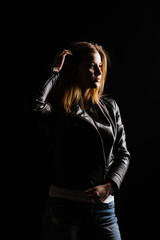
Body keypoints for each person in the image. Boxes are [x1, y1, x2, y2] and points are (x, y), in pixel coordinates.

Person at [30, 41, 130, 240]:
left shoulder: (110, 107)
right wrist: (54, 71)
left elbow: (122, 153)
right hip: (64, 209)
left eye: (101, 66)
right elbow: (36, 106)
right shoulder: (58, 108)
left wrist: (110, 186)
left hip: (104, 210)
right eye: (92, 66)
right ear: (75, 70)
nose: (99, 71)